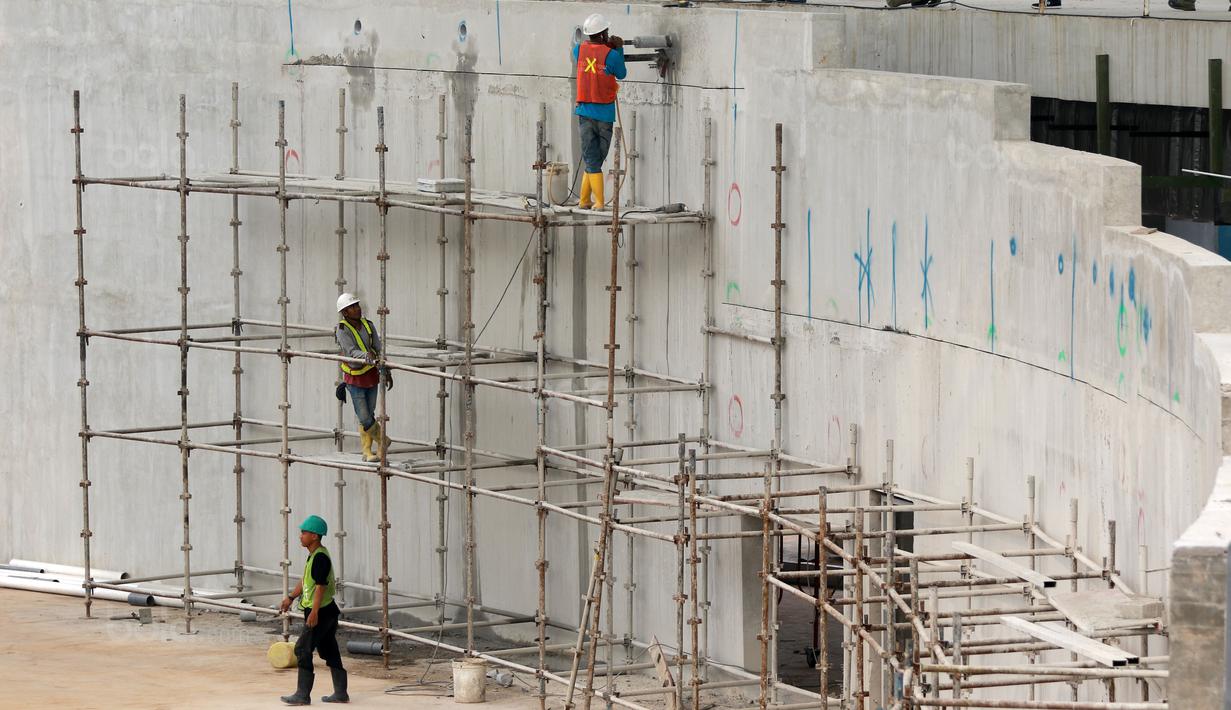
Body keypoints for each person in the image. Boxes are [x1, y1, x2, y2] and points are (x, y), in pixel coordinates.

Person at [279, 515, 348, 705]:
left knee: (302, 648)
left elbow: (320, 586)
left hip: (321, 612)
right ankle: (341, 693)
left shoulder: (320, 558)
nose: (300, 536)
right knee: (329, 649)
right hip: (326, 611)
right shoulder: (314, 555)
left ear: (315, 536)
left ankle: (302, 695)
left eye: (304, 532)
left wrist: (314, 612)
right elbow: (306, 581)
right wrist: (291, 597)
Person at [573, 13, 627, 210]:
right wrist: (618, 49)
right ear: (603, 33)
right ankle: (599, 202)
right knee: (596, 157)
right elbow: (621, 73)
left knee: (590, 156)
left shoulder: (578, 50)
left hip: (584, 111)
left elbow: (592, 55)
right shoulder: (611, 55)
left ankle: (585, 200)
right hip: (604, 113)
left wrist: (607, 47)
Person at [334, 293, 390, 462]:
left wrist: (386, 371)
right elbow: (351, 352)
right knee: (364, 416)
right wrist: (366, 355)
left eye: (357, 305)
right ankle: (383, 441)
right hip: (355, 378)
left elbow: (378, 347)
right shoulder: (342, 330)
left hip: (371, 375)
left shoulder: (368, 324)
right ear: (345, 312)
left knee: (369, 415)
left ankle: (368, 452)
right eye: (352, 307)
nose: (356, 309)